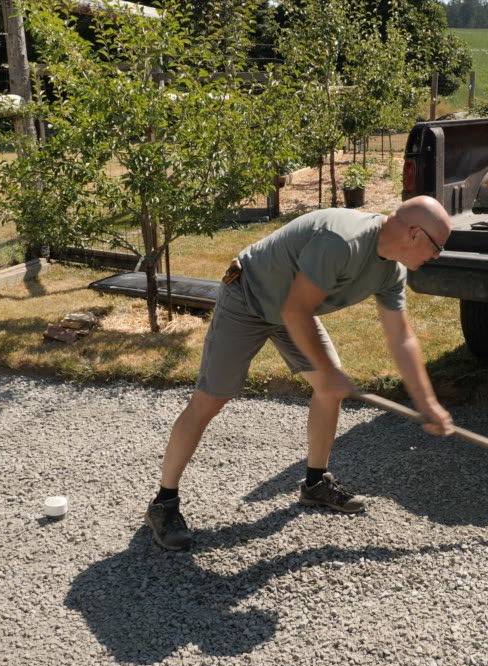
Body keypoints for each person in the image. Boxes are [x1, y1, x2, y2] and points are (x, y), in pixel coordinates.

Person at [145, 195, 457, 551]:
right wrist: (327, 371)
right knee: (210, 400)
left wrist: (427, 402)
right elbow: (296, 311)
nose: (437, 256)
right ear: (414, 234)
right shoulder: (342, 243)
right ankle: (163, 503)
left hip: (291, 310)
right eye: (438, 247)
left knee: (329, 387)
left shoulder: (391, 269)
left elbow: (401, 338)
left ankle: (315, 482)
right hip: (249, 296)